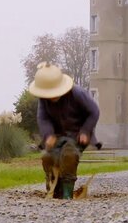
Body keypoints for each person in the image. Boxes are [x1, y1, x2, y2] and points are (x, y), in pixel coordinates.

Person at [29, 62, 100, 199]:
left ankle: (67, 192)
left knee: (69, 155)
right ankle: (54, 189)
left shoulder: (78, 93)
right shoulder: (43, 100)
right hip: (56, 134)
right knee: (48, 157)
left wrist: (85, 130)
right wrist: (48, 134)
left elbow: (94, 111)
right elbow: (43, 118)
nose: (51, 97)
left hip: (78, 134)